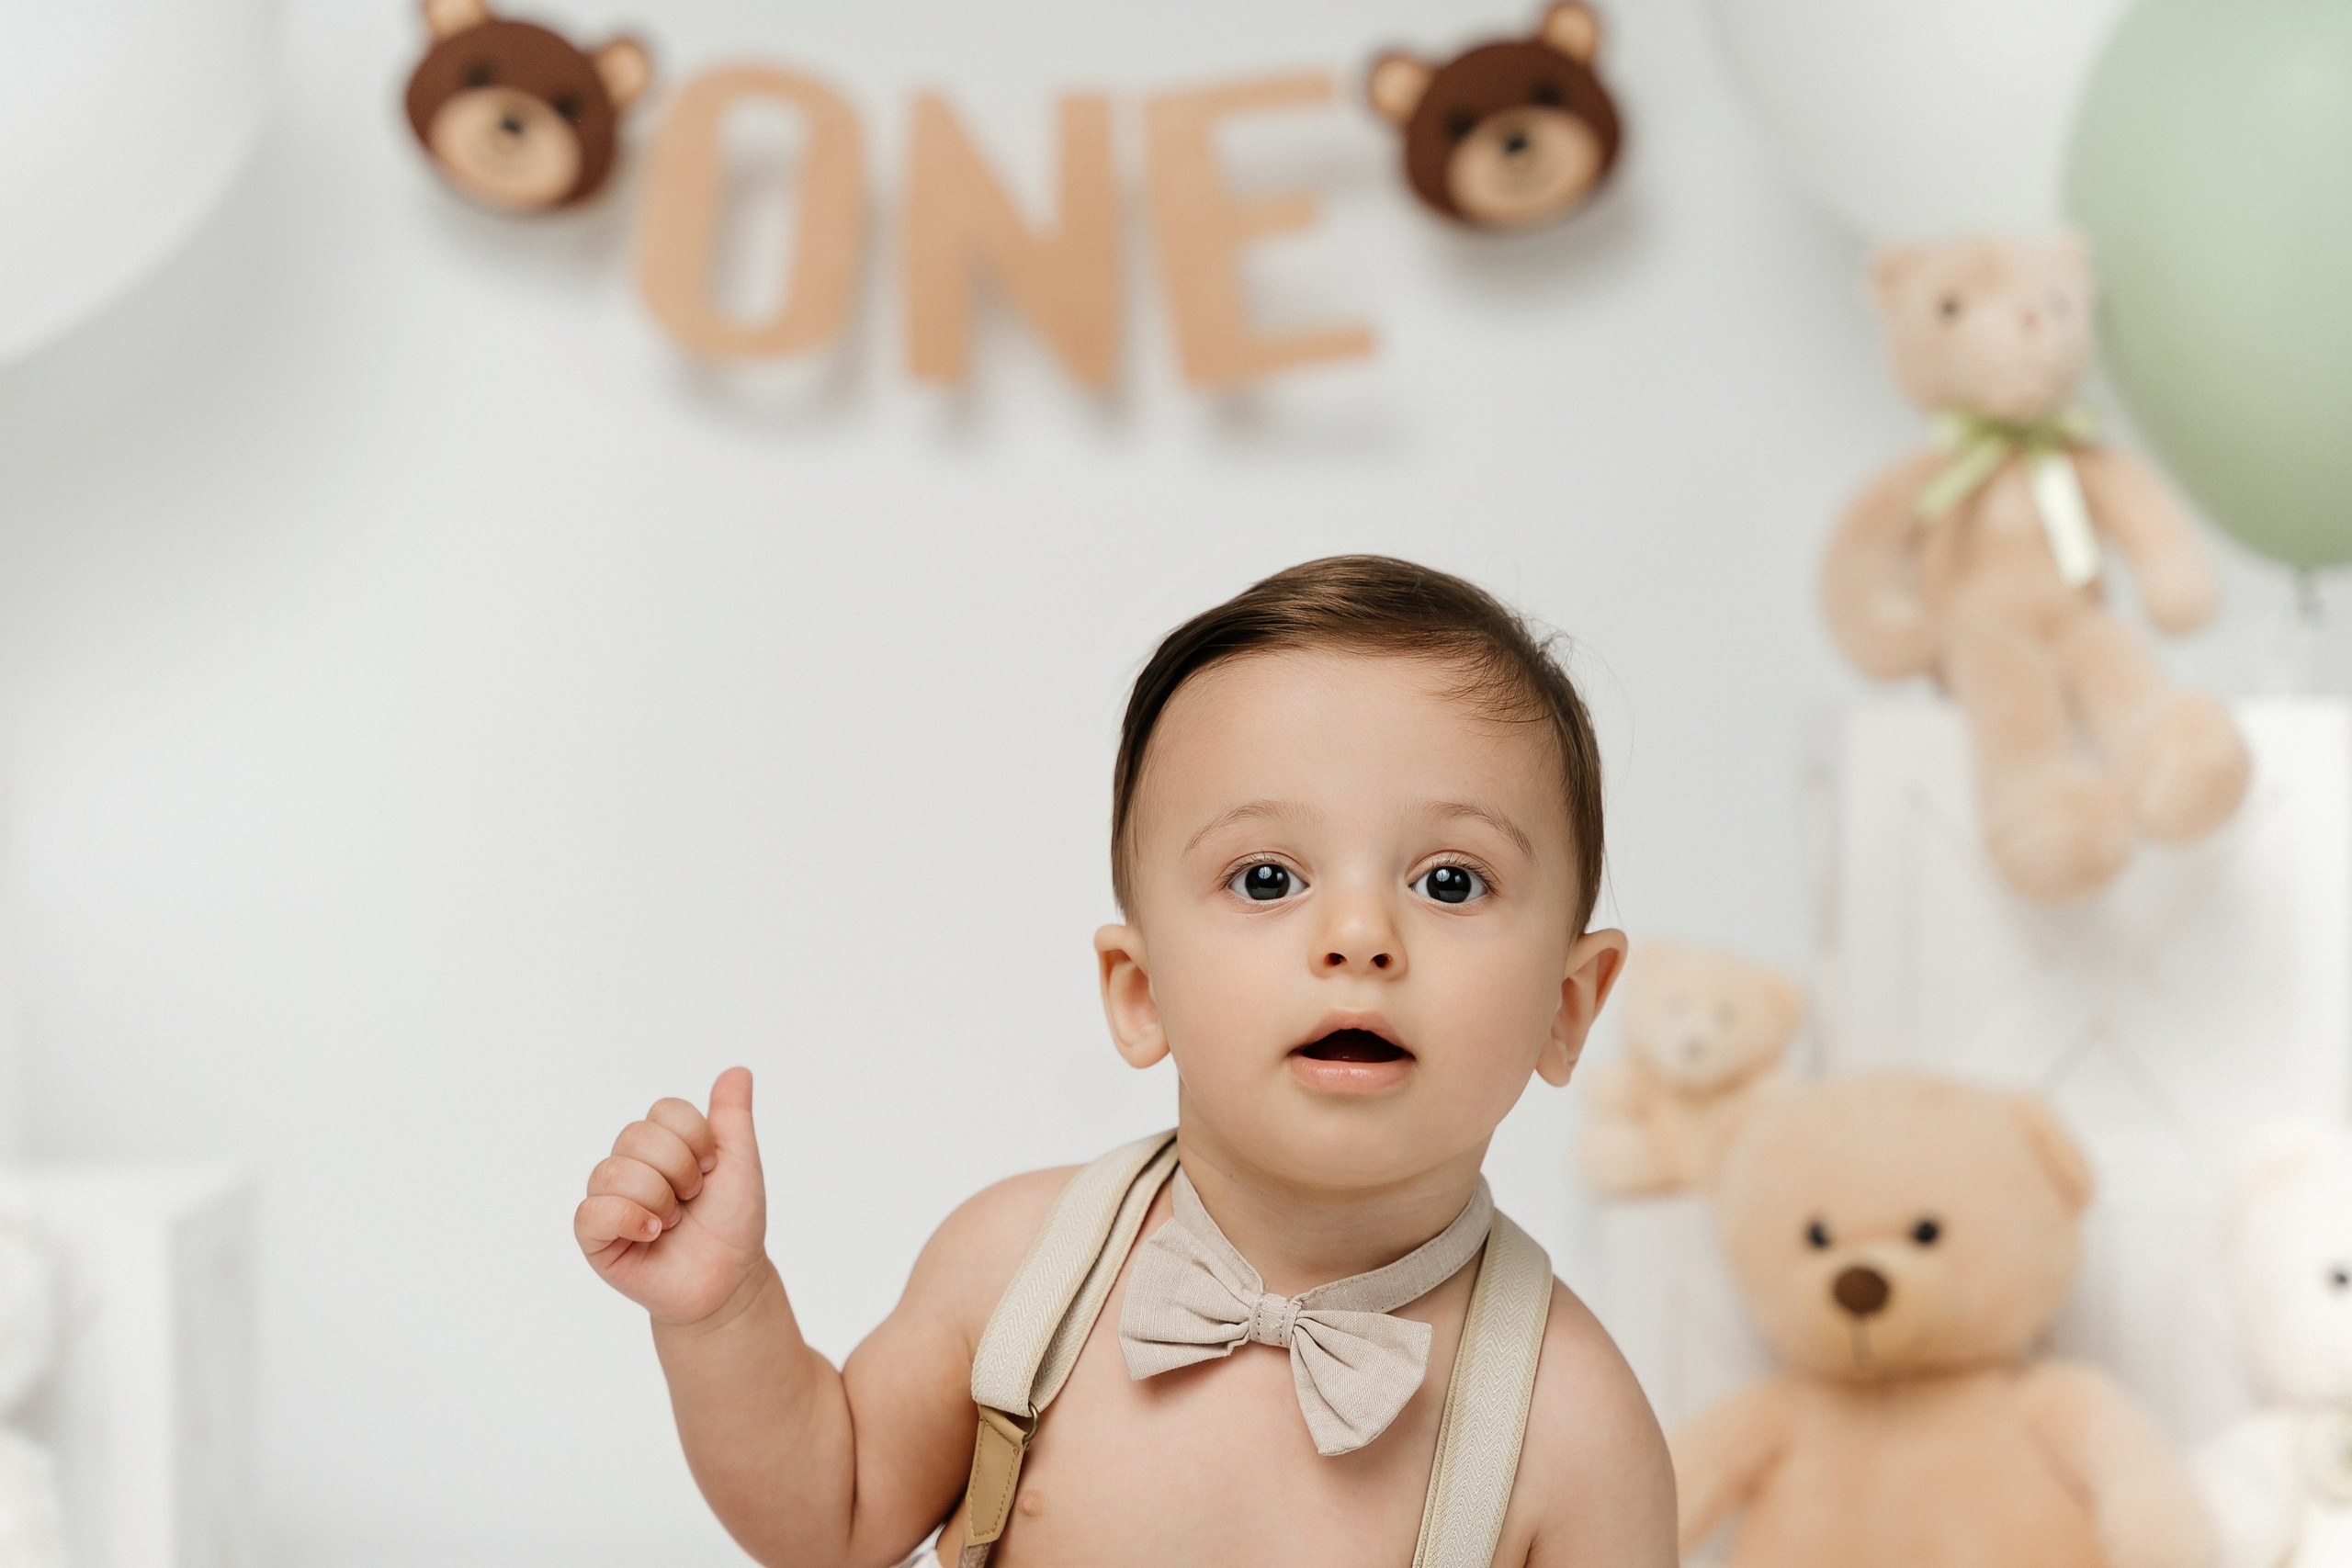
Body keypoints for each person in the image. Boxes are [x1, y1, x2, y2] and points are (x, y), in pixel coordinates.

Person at [574, 556, 1676, 1567]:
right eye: (1264, 878)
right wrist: (721, 1314)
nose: (1357, 936)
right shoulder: (1015, 1265)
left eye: (1447, 881)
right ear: (1139, 994)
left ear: (1566, 1009)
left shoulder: (1571, 1423)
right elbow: (834, 1514)